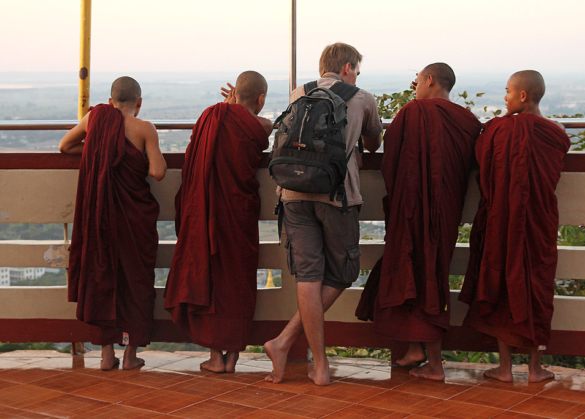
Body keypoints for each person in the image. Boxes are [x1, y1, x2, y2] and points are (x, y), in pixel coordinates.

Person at [264, 42, 383, 386]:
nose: (357, 74)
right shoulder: (361, 97)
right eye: (356, 69)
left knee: (308, 277)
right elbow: (374, 143)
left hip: (292, 192)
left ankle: (312, 361)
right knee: (345, 272)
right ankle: (289, 344)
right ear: (347, 67)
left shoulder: (298, 92)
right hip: (337, 195)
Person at [356, 63, 482, 381]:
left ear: (428, 80)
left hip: (410, 210)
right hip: (445, 214)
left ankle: (436, 366)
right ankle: (415, 349)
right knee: (424, 272)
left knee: (421, 274)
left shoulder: (412, 114)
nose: (415, 89)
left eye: (416, 82)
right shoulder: (466, 120)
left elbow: (392, 163)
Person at [459, 70, 571, 383]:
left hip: (500, 221)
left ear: (522, 96)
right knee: (536, 285)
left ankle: (505, 368)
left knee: (500, 283)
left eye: (508, 92)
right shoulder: (555, 133)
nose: (505, 98)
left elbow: (481, 160)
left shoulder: (495, 130)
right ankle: (535, 368)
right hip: (539, 223)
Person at [164, 71, 272, 374]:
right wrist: (235, 108)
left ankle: (215, 357)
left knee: (209, 275)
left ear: (234, 93)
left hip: (208, 213)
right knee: (237, 282)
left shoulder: (210, 117)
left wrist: (226, 107)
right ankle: (233, 357)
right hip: (239, 215)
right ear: (261, 99)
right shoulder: (262, 125)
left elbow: (202, 150)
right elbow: (249, 130)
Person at [60, 76, 167, 371]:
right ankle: (131, 355)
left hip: (99, 220)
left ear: (110, 102)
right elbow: (158, 172)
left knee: (101, 277)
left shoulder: (95, 118)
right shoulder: (144, 128)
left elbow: (65, 146)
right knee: (135, 281)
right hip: (134, 221)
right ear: (139, 102)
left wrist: (99, 151)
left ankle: (107, 355)